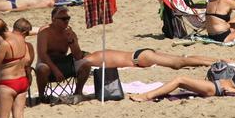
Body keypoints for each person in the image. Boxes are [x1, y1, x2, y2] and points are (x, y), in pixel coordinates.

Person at [130, 45, 235, 101]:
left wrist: (232, 90)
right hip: (216, 86)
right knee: (183, 82)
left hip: (217, 88)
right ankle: (149, 94)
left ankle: (147, 96)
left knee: (180, 79)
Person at [35, 6, 92, 102]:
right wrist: (56, 70)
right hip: (48, 64)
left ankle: (78, 92)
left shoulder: (69, 32)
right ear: (53, 19)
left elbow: (77, 56)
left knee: (86, 61)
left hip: (63, 62)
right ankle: (41, 96)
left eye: (68, 18)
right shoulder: (45, 32)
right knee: (42, 68)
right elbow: (42, 54)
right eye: (63, 19)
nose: (66, 21)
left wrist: (71, 41)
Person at [79, 49, 219, 70]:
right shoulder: (99, 52)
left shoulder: (90, 58)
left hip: (139, 58)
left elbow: (80, 64)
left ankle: (213, 63)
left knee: (177, 63)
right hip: (140, 53)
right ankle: (221, 60)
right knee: (182, 58)